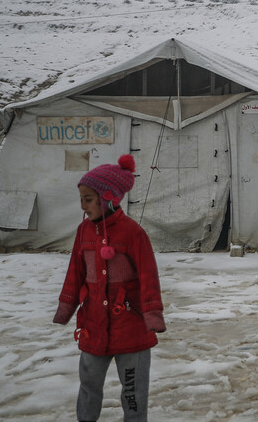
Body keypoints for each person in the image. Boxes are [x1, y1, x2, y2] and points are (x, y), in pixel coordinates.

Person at [53, 154, 165, 421]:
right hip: (93, 326)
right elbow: (75, 273)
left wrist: (152, 314)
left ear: (108, 198)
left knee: (133, 392)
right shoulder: (83, 231)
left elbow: (149, 276)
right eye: (81, 199)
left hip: (131, 328)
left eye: (88, 199)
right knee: (88, 387)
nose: (83, 206)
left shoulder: (133, 233)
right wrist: (66, 306)